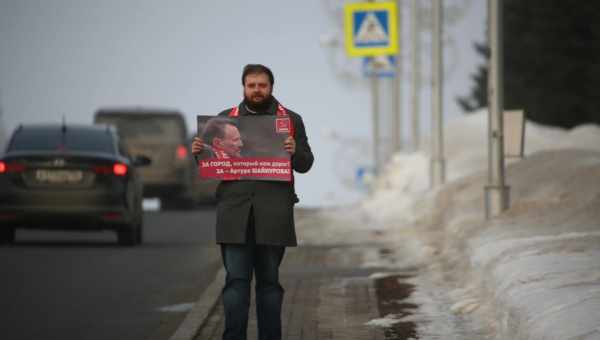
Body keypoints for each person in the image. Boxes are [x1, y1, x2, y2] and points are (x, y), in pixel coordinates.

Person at [191, 64, 314, 340]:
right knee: (236, 283)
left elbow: (306, 164)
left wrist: (295, 152)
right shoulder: (224, 120)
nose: (257, 90)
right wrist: (198, 153)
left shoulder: (291, 120)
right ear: (244, 87)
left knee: (269, 284)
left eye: (262, 85)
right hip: (234, 215)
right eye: (251, 85)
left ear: (272, 87)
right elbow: (212, 166)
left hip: (273, 215)